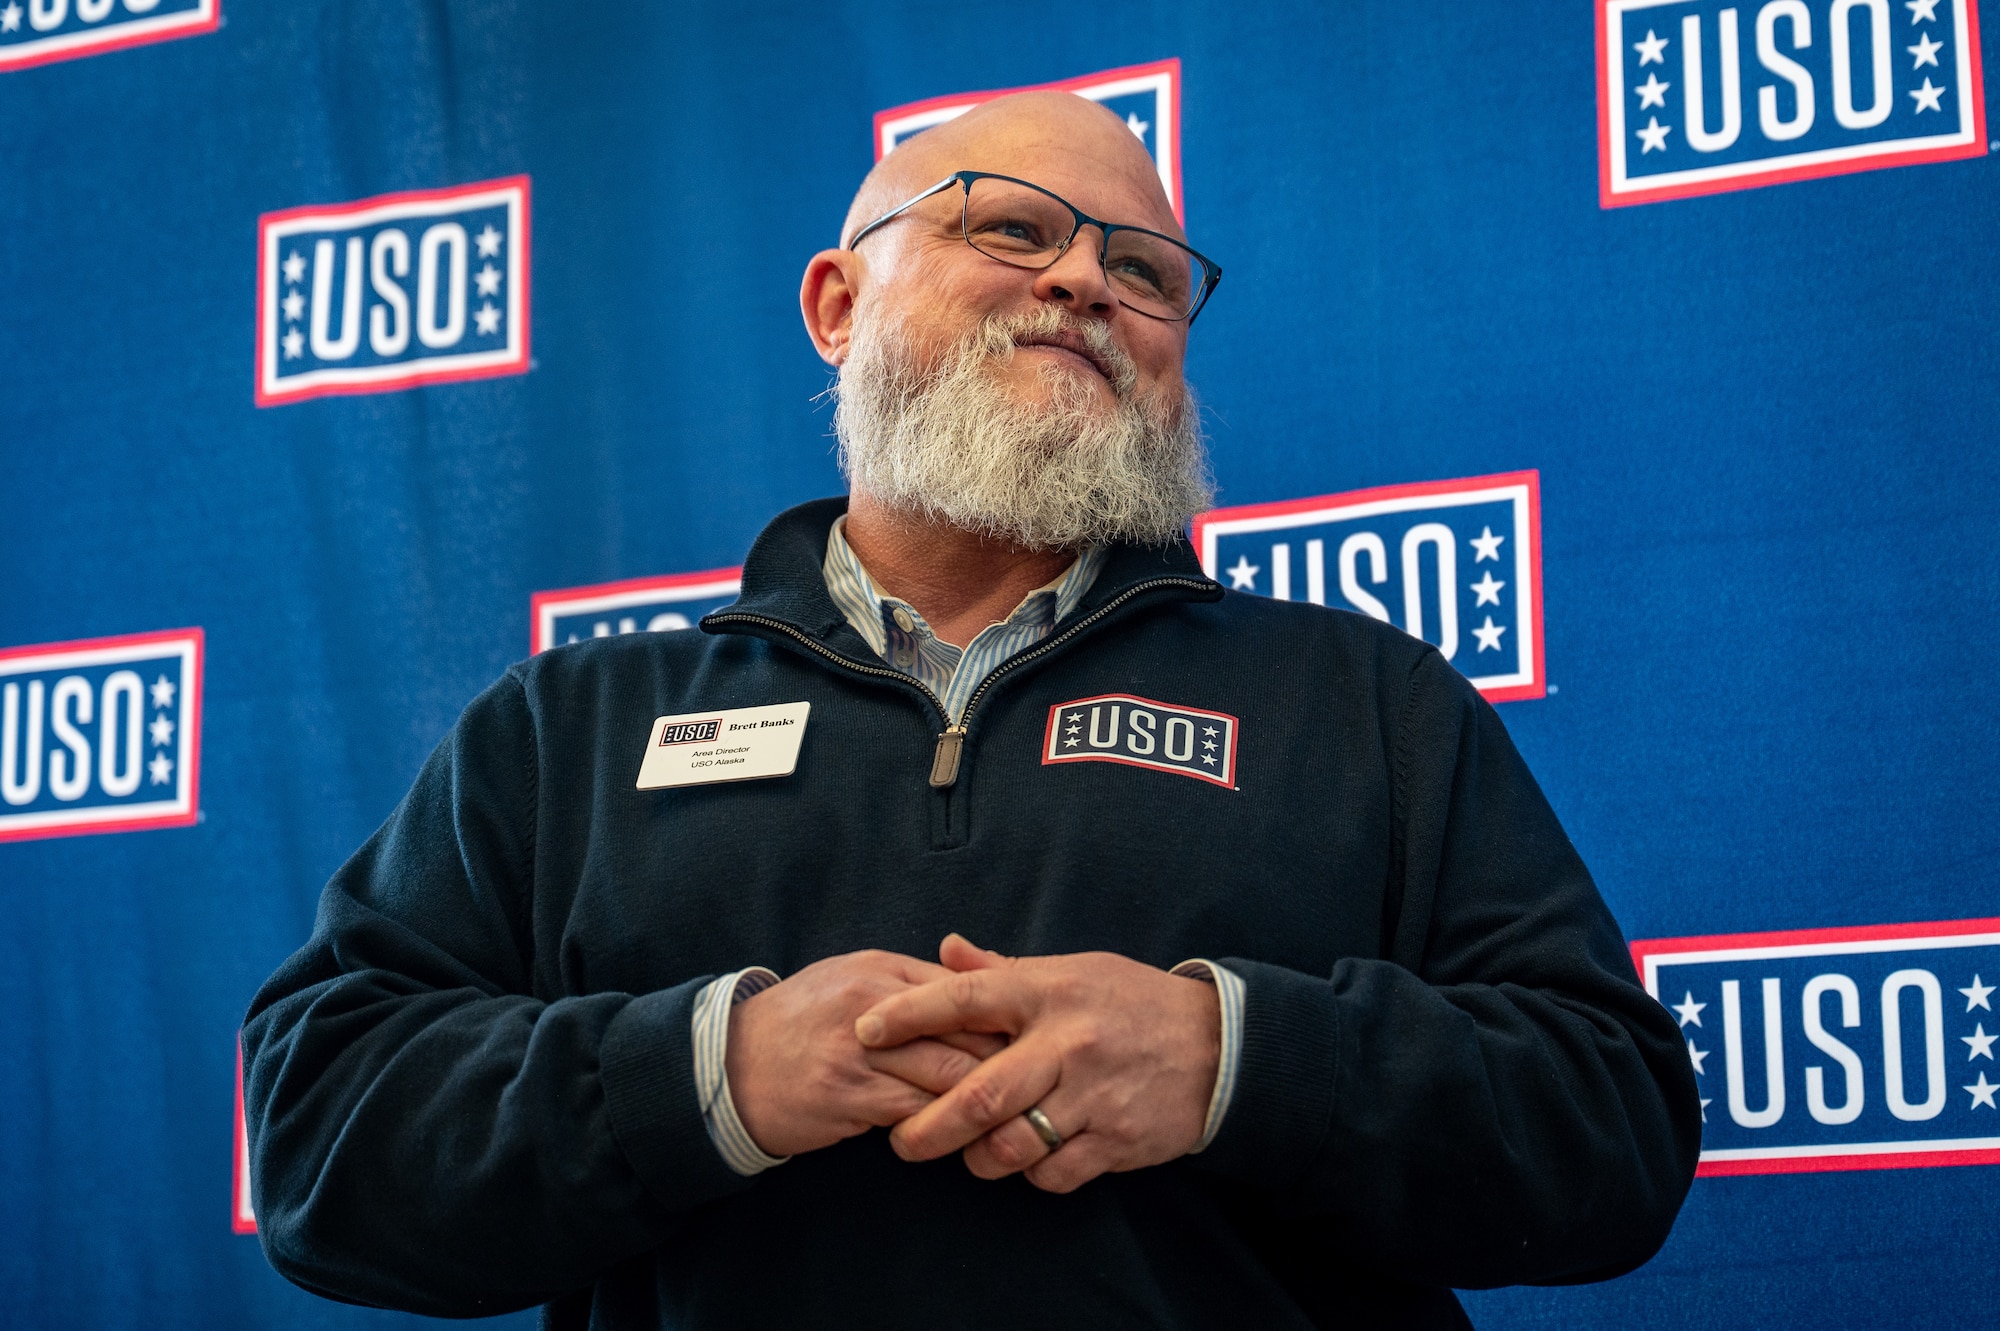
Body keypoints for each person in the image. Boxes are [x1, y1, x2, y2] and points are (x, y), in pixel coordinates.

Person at [242, 91, 1700, 1329]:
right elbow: (320, 1133)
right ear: (836, 304)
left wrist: (1233, 1061)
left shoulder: (1362, 701)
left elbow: (1613, 1126)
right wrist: (712, 1073)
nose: (1082, 282)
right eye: (1010, 228)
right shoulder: (572, 729)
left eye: (1145, 271)